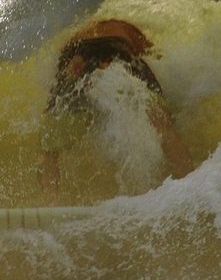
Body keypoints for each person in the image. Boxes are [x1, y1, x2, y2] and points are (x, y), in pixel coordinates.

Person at [38, 20, 194, 205]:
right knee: (164, 126)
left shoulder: (77, 32)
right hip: (118, 51)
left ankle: (51, 201)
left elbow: (59, 66)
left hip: (77, 60)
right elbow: (154, 54)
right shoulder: (124, 27)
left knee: (48, 150)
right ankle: (189, 187)